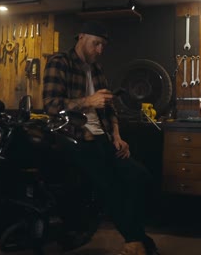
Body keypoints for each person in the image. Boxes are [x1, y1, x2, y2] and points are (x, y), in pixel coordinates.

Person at [42, 21, 158, 255]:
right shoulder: (59, 62)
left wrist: (117, 136)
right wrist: (87, 101)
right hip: (74, 138)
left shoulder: (96, 70)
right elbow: (50, 105)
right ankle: (135, 240)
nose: (100, 50)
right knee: (110, 185)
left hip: (102, 137)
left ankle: (135, 237)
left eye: (103, 45)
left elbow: (109, 107)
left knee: (140, 177)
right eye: (96, 44)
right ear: (81, 37)